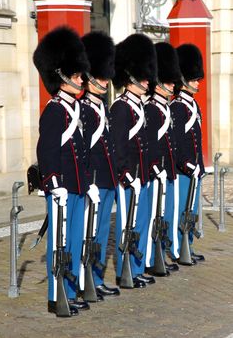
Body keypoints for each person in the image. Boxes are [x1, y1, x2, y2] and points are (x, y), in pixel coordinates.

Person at [33, 26, 91, 316]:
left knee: (75, 241)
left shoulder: (75, 108)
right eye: (77, 73)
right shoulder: (55, 110)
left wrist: (88, 182)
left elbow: (82, 150)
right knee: (60, 243)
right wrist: (53, 183)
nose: (82, 78)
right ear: (61, 74)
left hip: (78, 187)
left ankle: (69, 290)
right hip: (62, 189)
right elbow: (47, 151)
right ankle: (56, 297)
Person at [110, 33, 157, 288]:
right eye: (142, 76)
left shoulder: (140, 106)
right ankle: (125, 270)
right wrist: (127, 175)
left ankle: (137, 269)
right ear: (130, 78)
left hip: (143, 176)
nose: (147, 81)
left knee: (142, 222)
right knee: (127, 225)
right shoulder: (121, 108)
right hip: (129, 178)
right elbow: (118, 147)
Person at [80, 31, 120, 298]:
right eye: (101, 75)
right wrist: (87, 181)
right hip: (92, 180)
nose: (106, 81)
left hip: (107, 180)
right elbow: (80, 151)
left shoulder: (103, 108)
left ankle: (97, 276)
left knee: (102, 232)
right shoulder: (82, 109)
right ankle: (85, 281)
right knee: (88, 233)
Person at [144, 42, 182, 276]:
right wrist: (156, 167)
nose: (172, 86)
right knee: (152, 217)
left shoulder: (165, 108)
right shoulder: (151, 109)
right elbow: (151, 144)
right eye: (167, 81)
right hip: (155, 171)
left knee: (162, 216)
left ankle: (158, 254)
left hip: (166, 171)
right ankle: (150, 258)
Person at [170, 43, 206, 265]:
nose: (196, 83)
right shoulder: (177, 107)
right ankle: (176, 249)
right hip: (183, 170)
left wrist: (199, 165)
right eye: (192, 79)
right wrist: (187, 164)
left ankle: (188, 245)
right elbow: (178, 142)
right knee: (181, 211)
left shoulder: (192, 105)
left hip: (194, 168)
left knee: (191, 212)